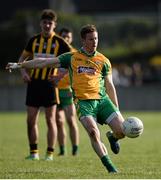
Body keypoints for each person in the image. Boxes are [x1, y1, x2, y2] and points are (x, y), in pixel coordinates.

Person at [6, 24, 125, 173]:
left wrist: (117, 109)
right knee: (94, 133)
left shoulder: (104, 60)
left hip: (102, 101)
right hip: (83, 102)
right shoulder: (71, 57)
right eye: (90, 39)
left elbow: (110, 85)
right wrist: (19, 65)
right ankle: (110, 167)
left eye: (96, 38)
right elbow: (43, 62)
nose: (94, 42)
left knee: (122, 131)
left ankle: (113, 137)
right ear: (83, 41)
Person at [16, 9, 72, 161]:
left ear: (55, 25)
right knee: (31, 119)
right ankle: (34, 152)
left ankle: (50, 153)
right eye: (45, 22)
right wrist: (24, 73)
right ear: (40, 24)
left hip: (49, 85)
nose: (47, 25)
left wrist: (59, 76)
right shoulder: (33, 40)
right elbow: (22, 58)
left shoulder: (60, 42)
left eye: (50, 23)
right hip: (34, 84)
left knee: (50, 120)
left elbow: (73, 61)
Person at [52, 28, 79, 155]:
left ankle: (75, 149)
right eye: (63, 36)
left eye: (68, 37)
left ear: (71, 38)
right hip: (54, 91)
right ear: (59, 37)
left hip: (67, 91)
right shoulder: (54, 52)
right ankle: (62, 150)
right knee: (58, 121)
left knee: (71, 120)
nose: (66, 39)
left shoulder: (75, 54)